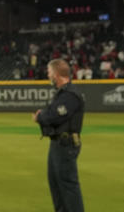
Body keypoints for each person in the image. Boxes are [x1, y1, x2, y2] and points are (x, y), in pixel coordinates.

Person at [34, 58, 85, 212]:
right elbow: (50, 113)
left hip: (66, 144)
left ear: (56, 74)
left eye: (49, 72)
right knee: (56, 185)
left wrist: (40, 116)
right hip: (57, 143)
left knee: (68, 187)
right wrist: (44, 115)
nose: (48, 75)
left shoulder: (70, 94)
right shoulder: (62, 93)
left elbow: (54, 115)